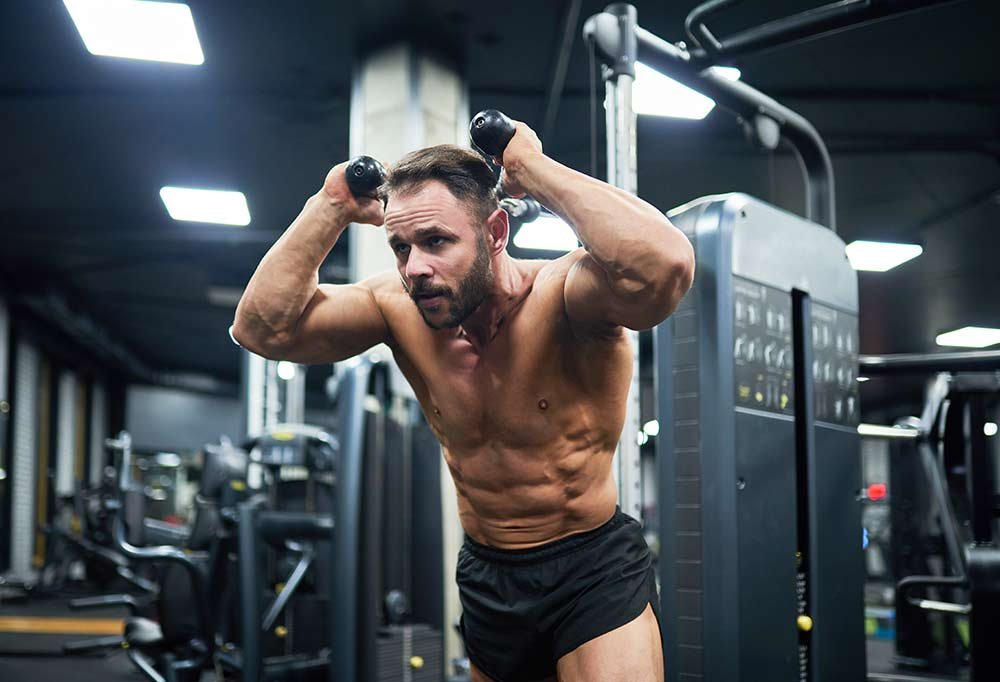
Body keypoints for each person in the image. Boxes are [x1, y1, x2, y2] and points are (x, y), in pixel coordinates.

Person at [232, 119, 695, 682]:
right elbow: (261, 330)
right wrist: (330, 206)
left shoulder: (566, 297)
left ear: (495, 232)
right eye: (401, 248)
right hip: (487, 575)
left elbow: (666, 267)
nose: (415, 269)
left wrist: (531, 169)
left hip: (590, 569)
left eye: (436, 242)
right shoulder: (396, 310)